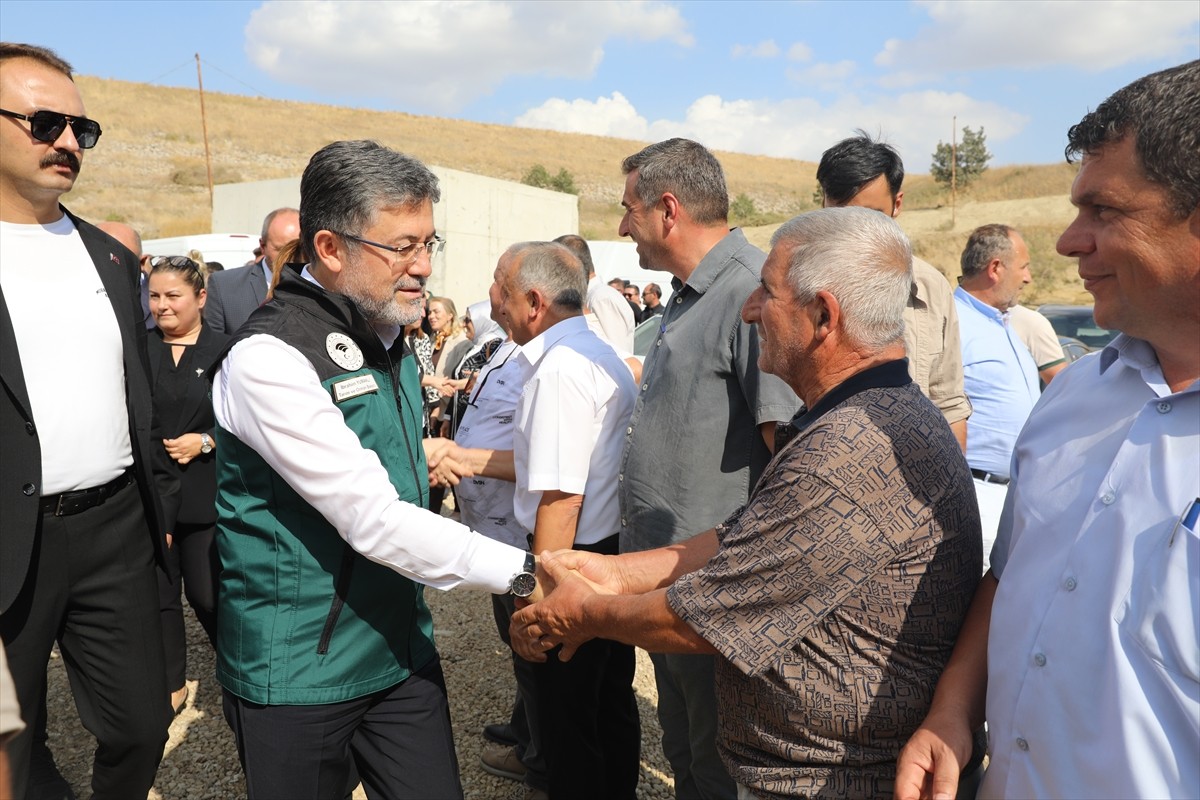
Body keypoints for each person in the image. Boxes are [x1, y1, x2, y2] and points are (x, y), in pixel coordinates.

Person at [513, 207, 981, 799]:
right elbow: (743, 536)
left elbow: (703, 618)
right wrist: (611, 571)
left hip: (833, 780)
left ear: (822, 316)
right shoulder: (847, 417)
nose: (749, 308)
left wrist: (582, 613)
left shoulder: (849, 450)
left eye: (768, 291)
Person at [895, 59, 1199, 800]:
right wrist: (953, 712)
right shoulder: (1070, 401)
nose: (1068, 243)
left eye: (1106, 211)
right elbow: (1012, 575)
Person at [210, 139, 540, 799]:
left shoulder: (388, 335)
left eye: (429, 243)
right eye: (402, 247)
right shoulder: (269, 359)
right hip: (301, 667)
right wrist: (526, 574)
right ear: (330, 249)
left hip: (398, 647)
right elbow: (374, 519)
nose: (422, 267)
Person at [0, 42, 177, 799]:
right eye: (44, 123)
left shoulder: (109, 255)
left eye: (82, 129)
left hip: (114, 530)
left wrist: (158, 504)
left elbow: (136, 393)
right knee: (13, 741)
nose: (68, 143)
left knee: (142, 726)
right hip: (11, 538)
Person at [615, 137, 800, 800]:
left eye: (628, 210)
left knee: (719, 764)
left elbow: (788, 453)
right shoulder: (690, 294)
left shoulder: (751, 290)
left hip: (715, 586)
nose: (620, 227)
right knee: (686, 748)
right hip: (669, 579)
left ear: (667, 210)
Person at [500, 241, 640, 800]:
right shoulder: (595, 351)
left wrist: (533, 598)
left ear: (534, 301)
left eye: (500, 290)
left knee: (566, 724)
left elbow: (560, 498)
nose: (492, 304)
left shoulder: (558, 370)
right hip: (602, 554)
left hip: (569, 562)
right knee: (607, 705)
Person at [447, 245, 547, 799]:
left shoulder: (544, 362)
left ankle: (539, 759)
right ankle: (528, 733)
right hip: (490, 528)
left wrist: (460, 459)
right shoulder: (506, 350)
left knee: (533, 648)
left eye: (497, 284)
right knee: (514, 642)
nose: (490, 295)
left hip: (517, 533)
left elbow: (542, 460)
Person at [816, 131, 970, 450]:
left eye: (870, 216)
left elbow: (950, 405)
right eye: (840, 215)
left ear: (897, 204)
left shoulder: (929, 288)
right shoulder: (790, 288)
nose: (855, 229)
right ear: (823, 202)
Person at [146, 254, 230, 715]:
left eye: (173, 295)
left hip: (206, 497)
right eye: (154, 295)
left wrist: (207, 440)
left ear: (200, 297)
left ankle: (240, 671)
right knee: (159, 595)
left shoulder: (228, 350)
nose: (162, 306)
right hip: (151, 499)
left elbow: (247, 421)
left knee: (207, 593)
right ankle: (170, 685)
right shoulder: (138, 351)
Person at [954, 224, 1040, 564]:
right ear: (995, 268)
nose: (1028, 278)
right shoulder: (954, 322)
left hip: (1014, 494)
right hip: (979, 493)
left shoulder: (1001, 323)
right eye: (1024, 267)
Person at [205, 207, 299, 334]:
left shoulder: (323, 285)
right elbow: (214, 347)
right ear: (262, 246)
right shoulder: (224, 286)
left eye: (296, 249)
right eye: (279, 249)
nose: (288, 257)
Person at [441, 299, 505, 439]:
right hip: (461, 418)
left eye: (469, 320)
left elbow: (495, 381)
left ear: (482, 321)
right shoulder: (473, 346)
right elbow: (459, 383)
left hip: (475, 421)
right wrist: (448, 417)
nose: (464, 324)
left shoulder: (494, 346)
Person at [96, 220, 153, 329]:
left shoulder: (154, 300)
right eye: (104, 257)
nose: (113, 268)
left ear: (141, 263)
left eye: (124, 261)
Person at [1006, 303, 1068, 384]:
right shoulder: (1028, 320)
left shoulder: (1029, 321)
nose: (1021, 289)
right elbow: (1062, 383)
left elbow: (1061, 382)